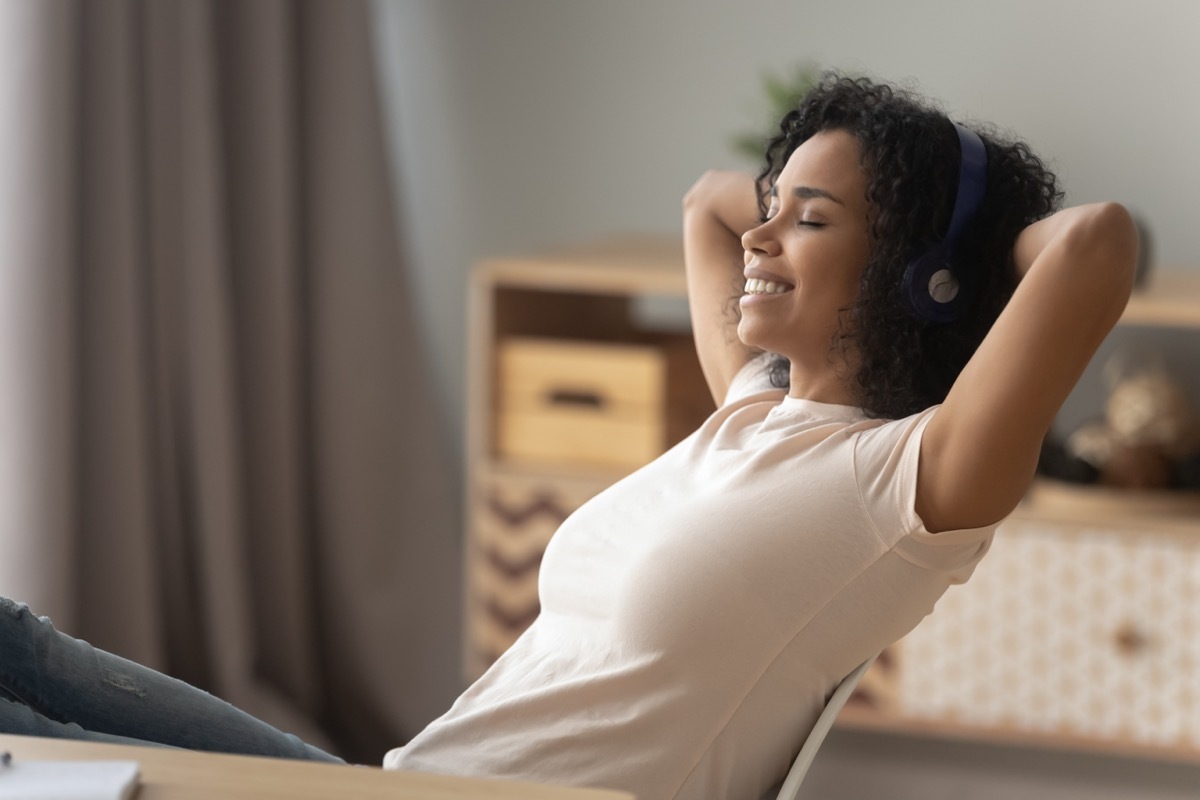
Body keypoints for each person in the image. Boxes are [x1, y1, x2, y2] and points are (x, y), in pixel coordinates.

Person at [1, 75, 1137, 800]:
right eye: (775, 204)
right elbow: (706, 201)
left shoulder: (909, 485)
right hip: (398, 787)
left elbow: (1095, 244)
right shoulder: (754, 409)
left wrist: (955, 252)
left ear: (918, 276)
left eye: (812, 219)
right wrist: (819, 213)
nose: (761, 236)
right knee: (19, 652)